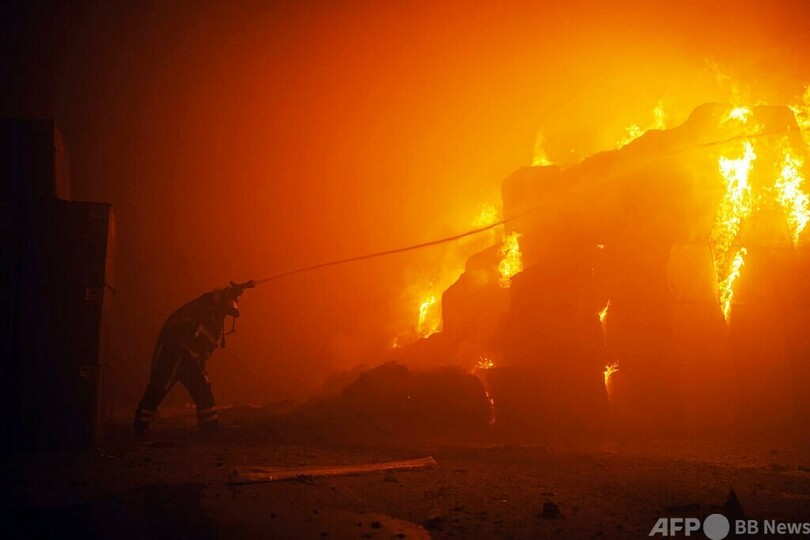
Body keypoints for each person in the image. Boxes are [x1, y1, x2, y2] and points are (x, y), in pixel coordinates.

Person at [133, 281, 253, 437]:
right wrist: (230, 291)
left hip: (191, 360)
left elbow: (205, 347)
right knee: (157, 391)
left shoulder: (216, 321)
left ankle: (210, 431)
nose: (227, 313)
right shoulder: (205, 306)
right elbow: (209, 299)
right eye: (226, 308)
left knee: (203, 393)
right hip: (175, 355)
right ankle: (139, 429)